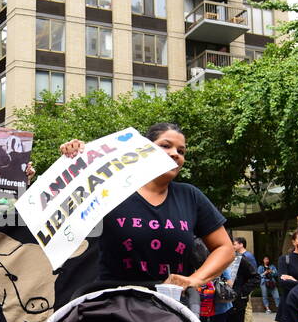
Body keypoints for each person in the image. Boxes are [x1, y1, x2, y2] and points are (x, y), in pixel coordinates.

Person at [56, 123, 234, 297]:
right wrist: (74, 161)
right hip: (111, 306)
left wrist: (193, 280)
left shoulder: (191, 196)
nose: (175, 154)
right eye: (165, 146)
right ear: (144, 149)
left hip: (172, 310)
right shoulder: (107, 191)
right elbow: (56, 219)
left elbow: (224, 248)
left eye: (181, 151)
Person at [224, 237, 259, 322]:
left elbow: (255, 278)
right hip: (221, 302)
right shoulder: (218, 260)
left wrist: (242, 292)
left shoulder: (240, 260)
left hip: (237, 302)